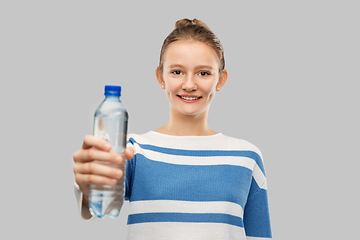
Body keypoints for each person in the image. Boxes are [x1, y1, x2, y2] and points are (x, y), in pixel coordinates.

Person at [73, 18, 272, 240]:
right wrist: (88, 183)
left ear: (221, 79)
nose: (189, 84)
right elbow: (93, 205)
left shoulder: (247, 157)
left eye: (203, 73)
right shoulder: (134, 151)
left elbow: (259, 235)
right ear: (160, 77)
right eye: (177, 72)